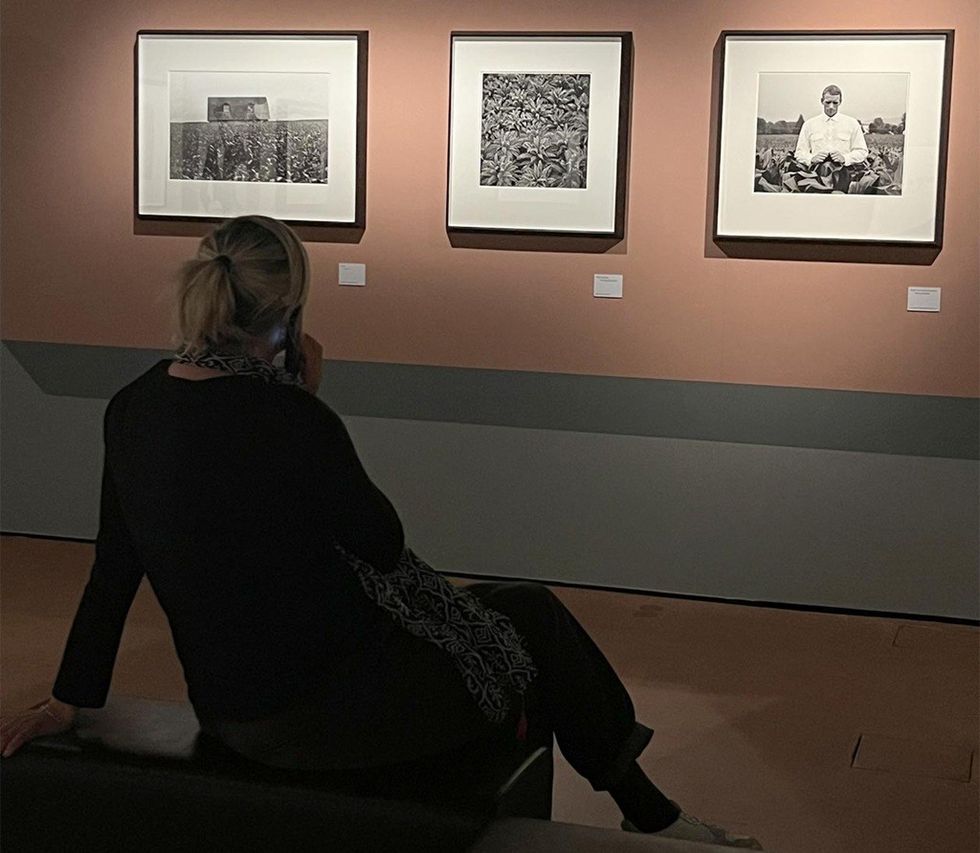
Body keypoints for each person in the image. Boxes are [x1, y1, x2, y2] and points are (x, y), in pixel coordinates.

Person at [0, 215, 763, 849]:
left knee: (514, 608)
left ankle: (649, 808)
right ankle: (653, 813)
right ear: (289, 311)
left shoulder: (132, 406)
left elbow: (113, 569)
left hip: (232, 714)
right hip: (326, 721)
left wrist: (69, 699)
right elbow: (381, 542)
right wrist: (310, 402)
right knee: (530, 617)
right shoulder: (289, 416)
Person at [794, 85, 869, 178]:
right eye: (828, 102)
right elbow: (799, 153)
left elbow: (862, 151)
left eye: (835, 103)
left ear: (840, 102)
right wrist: (811, 159)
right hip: (815, 177)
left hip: (845, 176)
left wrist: (845, 158)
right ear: (822, 101)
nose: (831, 107)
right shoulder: (809, 125)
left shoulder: (852, 123)